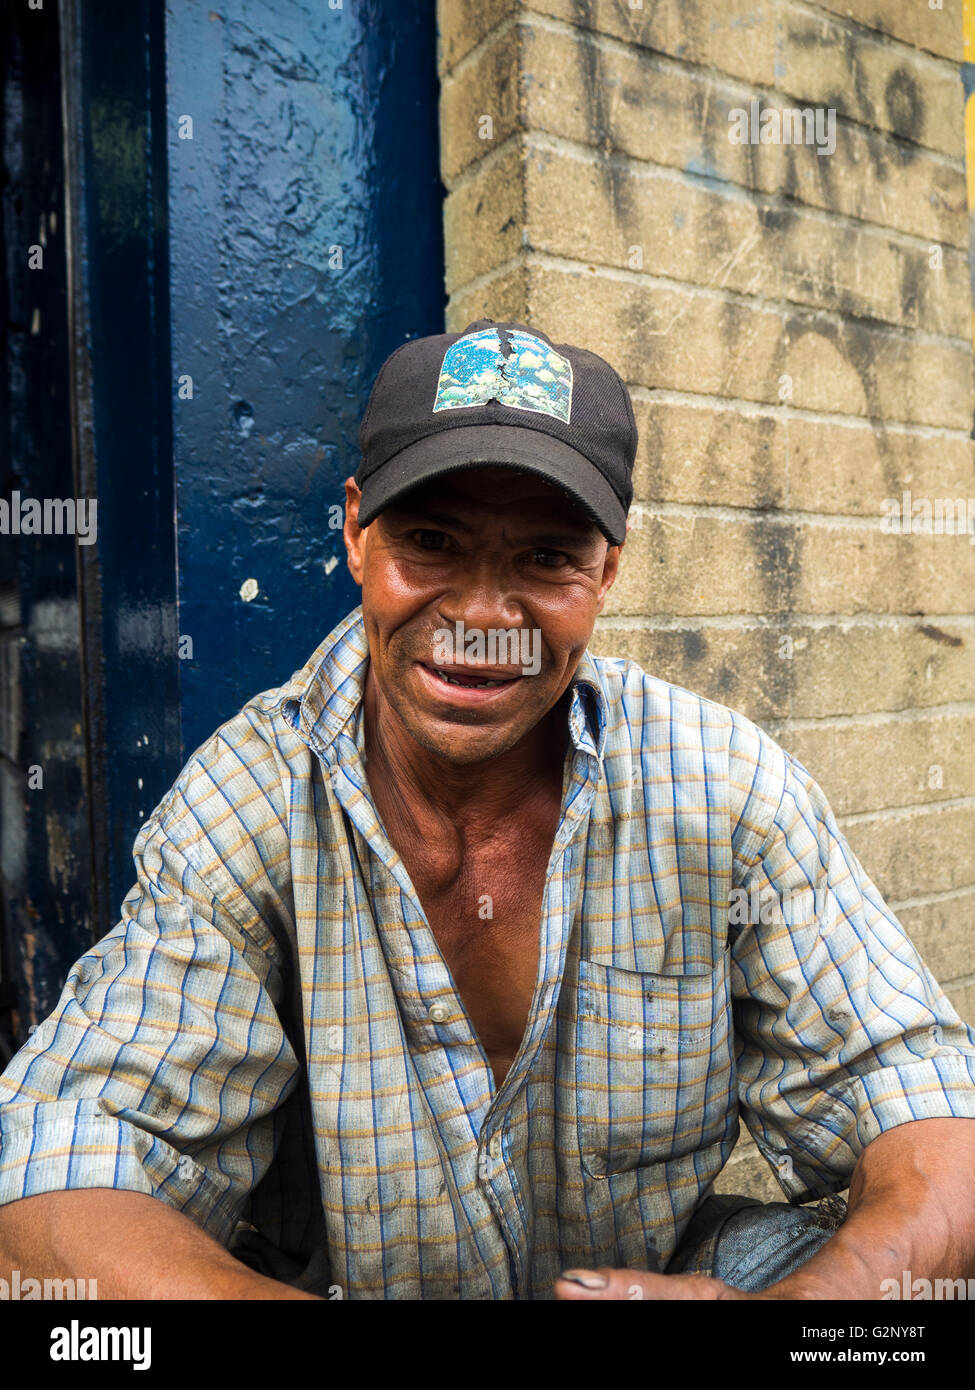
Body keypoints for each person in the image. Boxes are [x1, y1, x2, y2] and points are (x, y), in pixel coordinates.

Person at [1, 319, 974, 1301]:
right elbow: (60, 1170)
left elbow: (930, 1107)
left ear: (607, 571)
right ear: (355, 533)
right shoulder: (248, 804)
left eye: (547, 558)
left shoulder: (724, 789)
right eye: (431, 542)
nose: (482, 618)